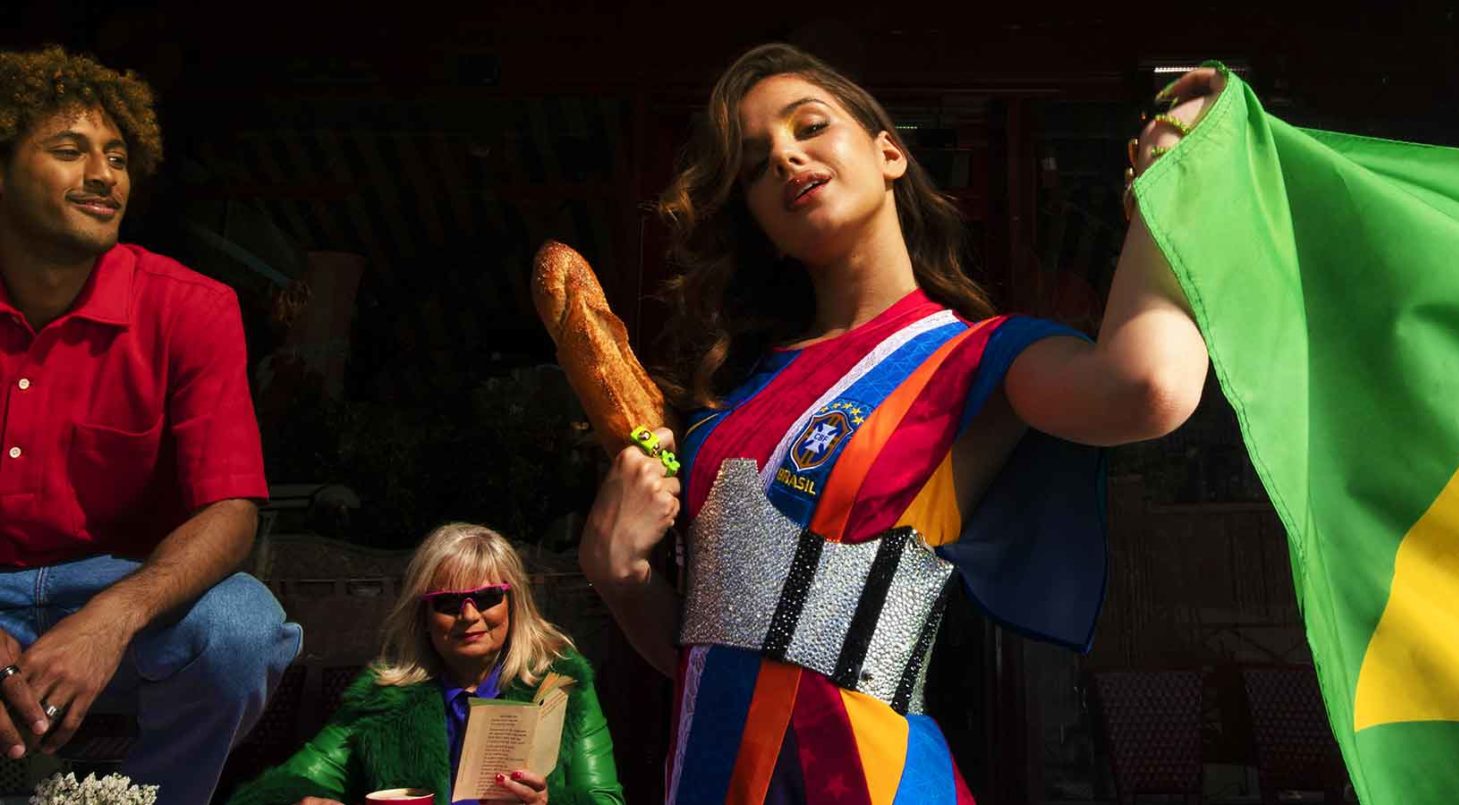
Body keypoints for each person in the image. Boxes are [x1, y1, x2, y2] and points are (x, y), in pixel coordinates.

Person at [579, 43, 1220, 803]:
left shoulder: (973, 357)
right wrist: (619, 580)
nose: (785, 157)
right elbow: (710, 655)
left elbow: (1147, 386)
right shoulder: (726, 409)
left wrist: (1166, 191)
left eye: (809, 126)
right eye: (755, 164)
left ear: (890, 153)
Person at [0, 46, 300, 804]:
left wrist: (112, 615)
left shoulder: (191, 306)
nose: (104, 175)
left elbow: (230, 509)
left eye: (118, 156)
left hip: (123, 590)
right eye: (69, 150)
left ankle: (142, 799)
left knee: (242, 628)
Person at [229, 523, 625, 805]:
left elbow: (605, 800)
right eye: (449, 602)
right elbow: (278, 788)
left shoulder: (558, 684)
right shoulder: (385, 699)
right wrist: (301, 802)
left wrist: (545, 804)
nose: (469, 616)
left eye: (487, 597)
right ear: (423, 615)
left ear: (514, 603)